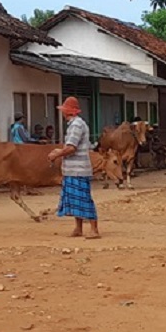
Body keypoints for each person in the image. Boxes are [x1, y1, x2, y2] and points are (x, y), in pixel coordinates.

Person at [48, 96, 99, 238]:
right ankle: (78, 228)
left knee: (83, 199)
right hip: (73, 169)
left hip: (78, 169)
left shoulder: (76, 125)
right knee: (77, 200)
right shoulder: (76, 124)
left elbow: (71, 148)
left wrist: (57, 153)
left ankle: (94, 229)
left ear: (67, 112)